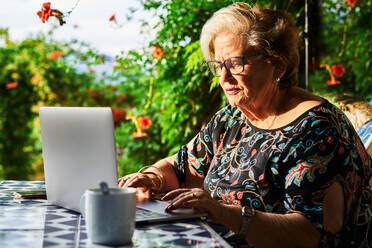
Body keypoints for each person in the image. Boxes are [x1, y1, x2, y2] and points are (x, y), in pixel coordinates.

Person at [118, 2, 371, 247]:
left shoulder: (317, 129)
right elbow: (182, 166)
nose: (224, 78)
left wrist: (224, 213)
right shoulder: (232, 118)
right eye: (218, 66)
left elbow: (312, 234)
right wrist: (151, 178)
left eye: (236, 64)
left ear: (278, 66)